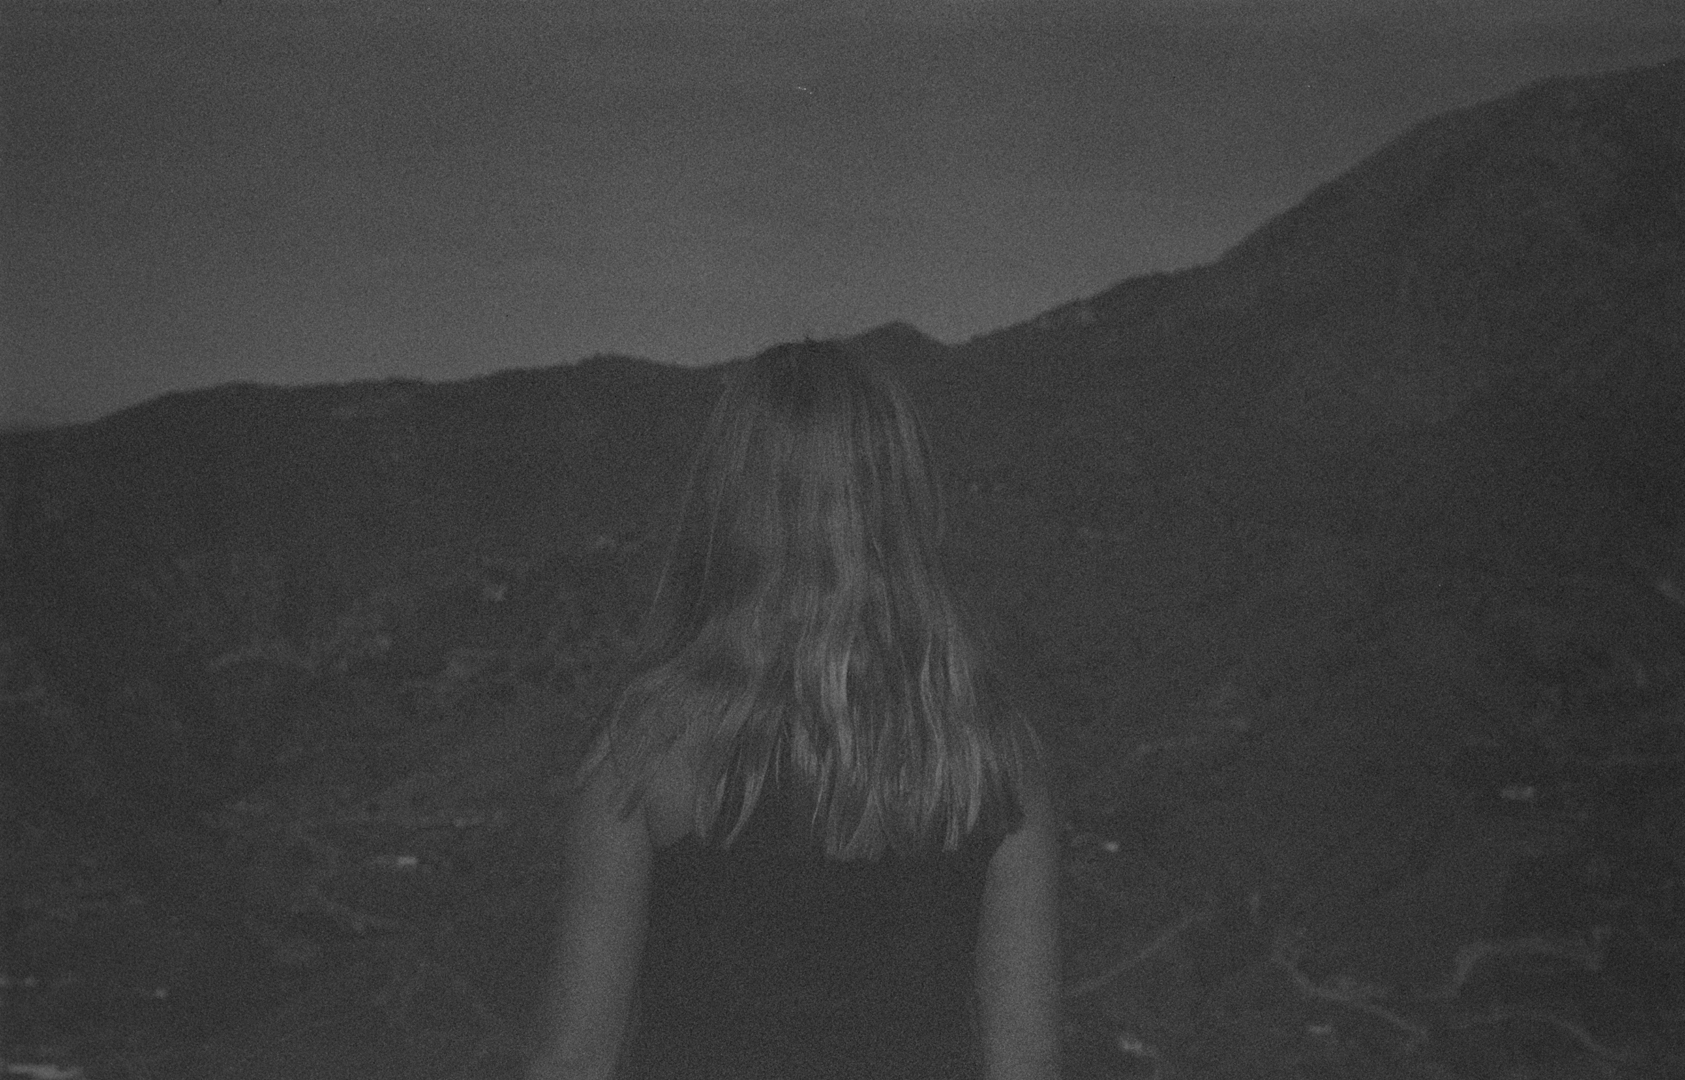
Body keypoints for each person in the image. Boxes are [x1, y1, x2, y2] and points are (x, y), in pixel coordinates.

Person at [527, 340, 1061, 1080]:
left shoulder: (647, 749)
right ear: (902, 506)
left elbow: (576, 1057)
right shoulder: (988, 756)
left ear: (728, 505)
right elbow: (1026, 1060)